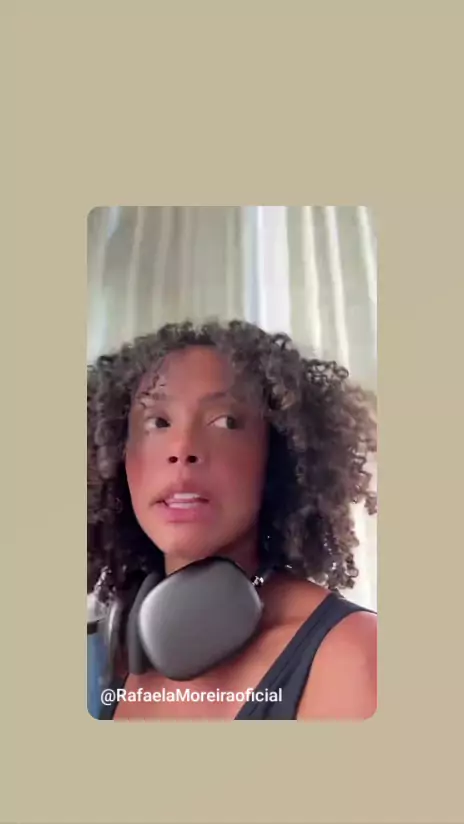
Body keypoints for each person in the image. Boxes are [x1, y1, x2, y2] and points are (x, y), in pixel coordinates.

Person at [87, 319, 377, 720]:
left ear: (277, 456)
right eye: (158, 422)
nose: (183, 448)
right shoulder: (103, 659)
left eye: (226, 422)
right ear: (118, 456)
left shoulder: (351, 655)